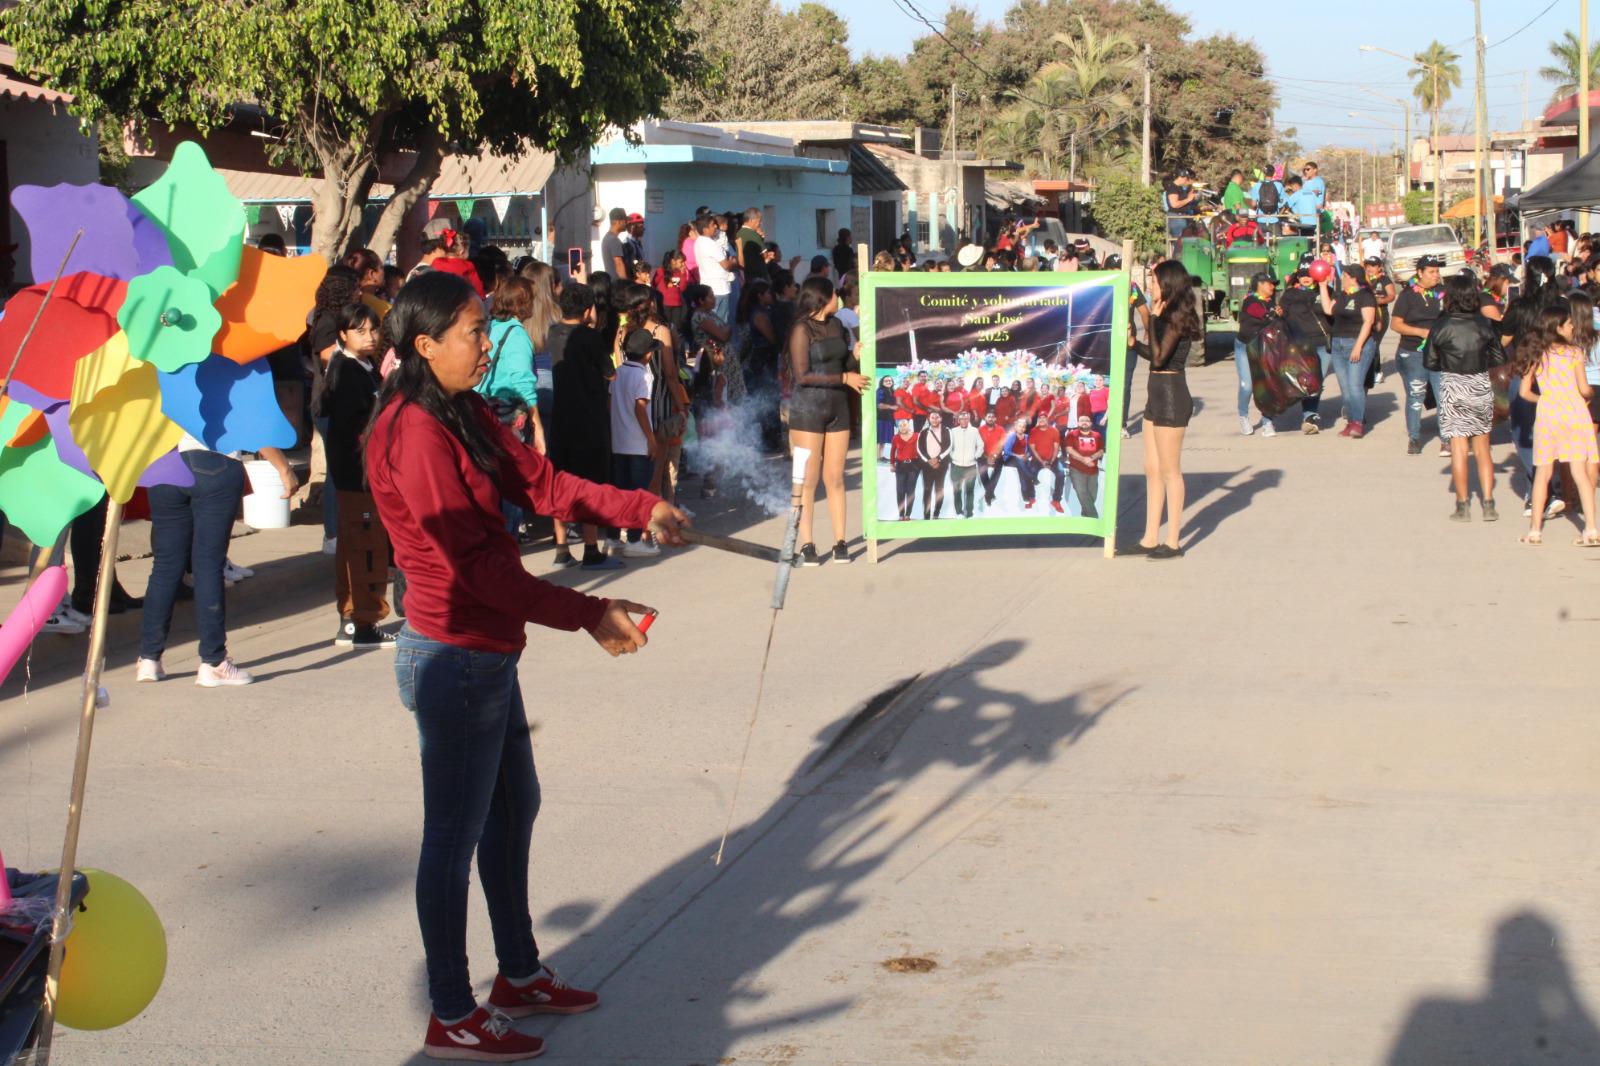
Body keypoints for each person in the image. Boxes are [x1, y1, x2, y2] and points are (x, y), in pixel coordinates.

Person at [365, 271, 685, 1060]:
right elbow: (476, 566)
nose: (488, 342)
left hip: (489, 656)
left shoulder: (464, 410)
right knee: (453, 836)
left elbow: (541, 483)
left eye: (484, 327)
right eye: (474, 332)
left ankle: (517, 972)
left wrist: (639, 505)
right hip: (452, 658)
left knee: (514, 811)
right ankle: (451, 1009)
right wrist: (587, 613)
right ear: (423, 345)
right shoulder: (412, 432)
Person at [136, 438, 296, 686]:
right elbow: (251, 422)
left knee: (165, 566)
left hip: (163, 462)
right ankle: (213, 662)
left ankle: (149, 659)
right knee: (209, 565)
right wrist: (283, 468)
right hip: (214, 461)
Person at [318, 301, 395, 647]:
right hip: (358, 475)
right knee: (365, 548)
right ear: (342, 335)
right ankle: (363, 622)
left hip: (360, 475)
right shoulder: (348, 371)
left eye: (373, 330)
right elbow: (356, 427)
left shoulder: (361, 367)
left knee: (355, 546)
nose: (369, 336)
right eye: (360, 331)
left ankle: (353, 619)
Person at [787, 276, 866, 562]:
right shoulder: (801, 329)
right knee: (808, 481)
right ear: (822, 298)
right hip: (807, 411)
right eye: (834, 294)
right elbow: (802, 376)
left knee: (835, 477)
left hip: (838, 408)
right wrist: (845, 377)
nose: (838, 298)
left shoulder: (837, 325)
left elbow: (843, 363)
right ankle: (807, 543)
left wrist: (854, 357)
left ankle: (840, 541)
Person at [1127, 260, 1202, 559]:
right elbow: (1154, 355)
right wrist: (1134, 344)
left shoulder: (1173, 317)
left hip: (1172, 395)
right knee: (1152, 468)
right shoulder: (1162, 315)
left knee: (1170, 470)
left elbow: (1160, 359)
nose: (1150, 287)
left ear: (1167, 285)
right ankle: (1149, 537)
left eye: (1154, 282)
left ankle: (1172, 541)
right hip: (1155, 394)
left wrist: (1151, 321)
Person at [1424, 273, 1507, 522]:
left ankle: (1462, 505)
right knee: (1483, 448)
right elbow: (1499, 358)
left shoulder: (1441, 325)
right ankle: (1489, 503)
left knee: (1459, 449)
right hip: (1479, 383)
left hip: (1453, 384)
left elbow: (1429, 361)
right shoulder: (1484, 324)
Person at [549, 285, 620, 570]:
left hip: (561, 416)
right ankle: (591, 548)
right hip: (589, 418)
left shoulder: (553, 333)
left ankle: (561, 546)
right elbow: (610, 372)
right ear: (588, 309)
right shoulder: (589, 337)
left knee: (561, 481)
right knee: (589, 483)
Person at [1517, 302, 1599, 544]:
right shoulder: (1575, 353)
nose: (1573, 326)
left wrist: (1544, 399)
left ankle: (1535, 531)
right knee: (1579, 472)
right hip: (1574, 413)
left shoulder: (1536, 353)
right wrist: (1589, 396)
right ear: (1559, 327)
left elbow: (1524, 392)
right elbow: (1584, 388)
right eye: (1569, 323)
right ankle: (1592, 529)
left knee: (1543, 471)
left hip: (1548, 414)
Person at [479, 276, 547, 543]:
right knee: (513, 482)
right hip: (508, 415)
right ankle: (506, 544)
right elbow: (523, 382)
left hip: (486, 407)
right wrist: (538, 425)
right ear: (524, 302)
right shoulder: (517, 334)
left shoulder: (492, 327)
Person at [608, 328, 660, 556]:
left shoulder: (618, 371)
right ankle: (634, 539)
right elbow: (640, 409)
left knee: (620, 491)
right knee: (639, 493)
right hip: (638, 443)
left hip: (618, 442)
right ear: (648, 354)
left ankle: (612, 538)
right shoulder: (644, 375)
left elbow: (609, 404)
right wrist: (651, 440)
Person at [1392, 255, 1449, 454]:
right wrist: (1420, 332)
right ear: (1420, 273)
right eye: (1431, 271)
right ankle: (1414, 438)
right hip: (1413, 351)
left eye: (1437, 271)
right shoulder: (1408, 295)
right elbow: (1396, 324)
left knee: (1443, 396)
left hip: (1440, 353)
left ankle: (1446, 440)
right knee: (1416, 395)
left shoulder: (1443, 292)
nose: (1436, 275)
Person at [1323, 267, 1378, 437]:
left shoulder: (1365, 296)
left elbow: (1368, 322)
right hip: (1338, 343)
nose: (1342, 278)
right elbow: (1328, 310)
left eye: (1345, 275)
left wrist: (1358, 346)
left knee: (1355, 385)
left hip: (1357, 343)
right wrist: (1322, 286)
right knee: (1345, 387)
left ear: (1354, 278)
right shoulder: (1341, 295)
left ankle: (1358, 423)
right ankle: (1351, 421)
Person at [1280, 268, 1333, 433]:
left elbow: (1333, 313)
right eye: (1302, 275)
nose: (1306, 278)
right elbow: (1281, 317)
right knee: (1307, 382)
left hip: (1322, 344)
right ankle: (1308, 415)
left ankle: (1309, 418)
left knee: (1318, 381)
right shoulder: (1289, 295)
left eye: (1309, 275)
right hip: (1300, 345)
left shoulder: (1326, 290)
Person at [1234, 272, 1279, 436]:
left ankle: (1268, 422)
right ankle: (1243, 415)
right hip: (1245, 347)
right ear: (1260, 284)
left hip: (1264, 348)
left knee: (1266, 386)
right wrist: (1275, 314)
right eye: (1270, 283)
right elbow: (1262, 315)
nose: (1273, 287)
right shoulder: (1250, 301)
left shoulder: (1271, 301)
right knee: (1247, 386)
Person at [411, 218, 485, 297]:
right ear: (440, 246)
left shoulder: (419, 272)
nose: (453, 248)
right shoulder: (422, 274)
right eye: (452, 243)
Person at [692, 215, 738, 322]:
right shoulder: (711, 244)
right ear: (705, 229)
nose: (716, 227)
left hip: (708, 286)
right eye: (712, 225)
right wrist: (733, 261)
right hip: (719, 289)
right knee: (719, 321)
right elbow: (726, 265)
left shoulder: (698, 242)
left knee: (711, 320)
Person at [1065, 414, 1105, 518]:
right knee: (1082, 492)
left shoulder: (1097, 435)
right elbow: (1069, 449)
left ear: (1091, 423)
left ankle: (1085, 516)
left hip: (1093, 470)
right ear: (1078, 423)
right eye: (1081, 420)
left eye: (1087, 420)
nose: (1084, 422)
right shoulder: (1072, 434)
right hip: (1076, 469)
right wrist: (1084, 460)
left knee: (1092, 495)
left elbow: (1101, 450)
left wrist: (1091, 458)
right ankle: (1094, 518)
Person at [1026, 412, 1065, 512]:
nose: (1042, 420)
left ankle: (1056, 500)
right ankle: (1031, 498)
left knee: (1061, 473)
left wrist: (1051, 461)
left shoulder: (1054, 430)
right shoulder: (1033, 431)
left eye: (1044, 418)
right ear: (1038, 420)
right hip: (1037, 459)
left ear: (1047, 419)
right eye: (1040, 418)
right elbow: (1033, 449)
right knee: (1029, 473)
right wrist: (1042, 462)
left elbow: (1056, 447)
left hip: (1052, 459)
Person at [948, 409, 982, 518]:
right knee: (957, 490)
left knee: (970, 491)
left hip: (970, 466)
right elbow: (949, 446)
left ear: (969, 419)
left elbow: (981, 445)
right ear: (958, 420)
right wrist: (952, 456)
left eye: (966, 418)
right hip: (956, 466)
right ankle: (959, 512)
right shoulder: (953, 431)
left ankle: (969, 513)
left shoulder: (975, 431)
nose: (964, 420)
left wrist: (975, 456)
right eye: (961, 418)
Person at [653, 249, 691, 336]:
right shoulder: (661, 271)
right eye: (681, 262)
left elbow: (682, 288)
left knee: (675, 327)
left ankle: (675, 345)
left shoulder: (680, 273)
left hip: (677, 305)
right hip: (664, 304)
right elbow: (654, 284)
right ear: (673, 261)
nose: (683, 264)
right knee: (665, 325)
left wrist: (683, 274)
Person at [977, 409, 1008, 507]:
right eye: (988, 417)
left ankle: (988, 494)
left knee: (998, 469)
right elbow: (978, 445)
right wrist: (986, 457)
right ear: (985, 418)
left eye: (992, 417)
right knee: (982, 469)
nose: (990, 419)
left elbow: (1001, 445)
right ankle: (990, 493)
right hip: (983, 455)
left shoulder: (1001, 429)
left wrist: (994, 456)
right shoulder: (980, 429)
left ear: (995, 419)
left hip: (997, 456)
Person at [890, 419, 919, 520]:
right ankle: (901, 514)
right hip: (900, 466)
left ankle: (908, 515)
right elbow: (893, 451)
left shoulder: (916, 436)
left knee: (910, 491)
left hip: (913, 466)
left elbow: (920, 449)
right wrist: (892, 464)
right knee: (900, 491)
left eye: (905, 425)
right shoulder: (896, 438)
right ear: (898, 427)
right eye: (900, 425)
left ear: (908, 426)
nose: (903, 427)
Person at [1163, 168, 1200, 240]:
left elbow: (1183, 200)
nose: (1187, 181)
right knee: (1180, 243)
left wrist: (1191, 194)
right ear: (1181, 177)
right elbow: (1174, 204)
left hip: (1182, 217)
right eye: (1186, 178)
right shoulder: (1173, 188)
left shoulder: (1179, 188)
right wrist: (1188, 199)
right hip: (1176, 219)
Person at [737, 208, 768, 284]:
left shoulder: (738, 233)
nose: (760, 223)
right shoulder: (754, 235)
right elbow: (765, 254)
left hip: (745, 273)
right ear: (751, 220)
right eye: (759, 221)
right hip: (757, 274)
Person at [600, 207, 629, 278]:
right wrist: (625, 285)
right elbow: (618, 264)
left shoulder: (607, 238)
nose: (626, 223)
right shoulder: (614, 240)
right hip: (617, 285)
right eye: (625, 221)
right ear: (619, 222)